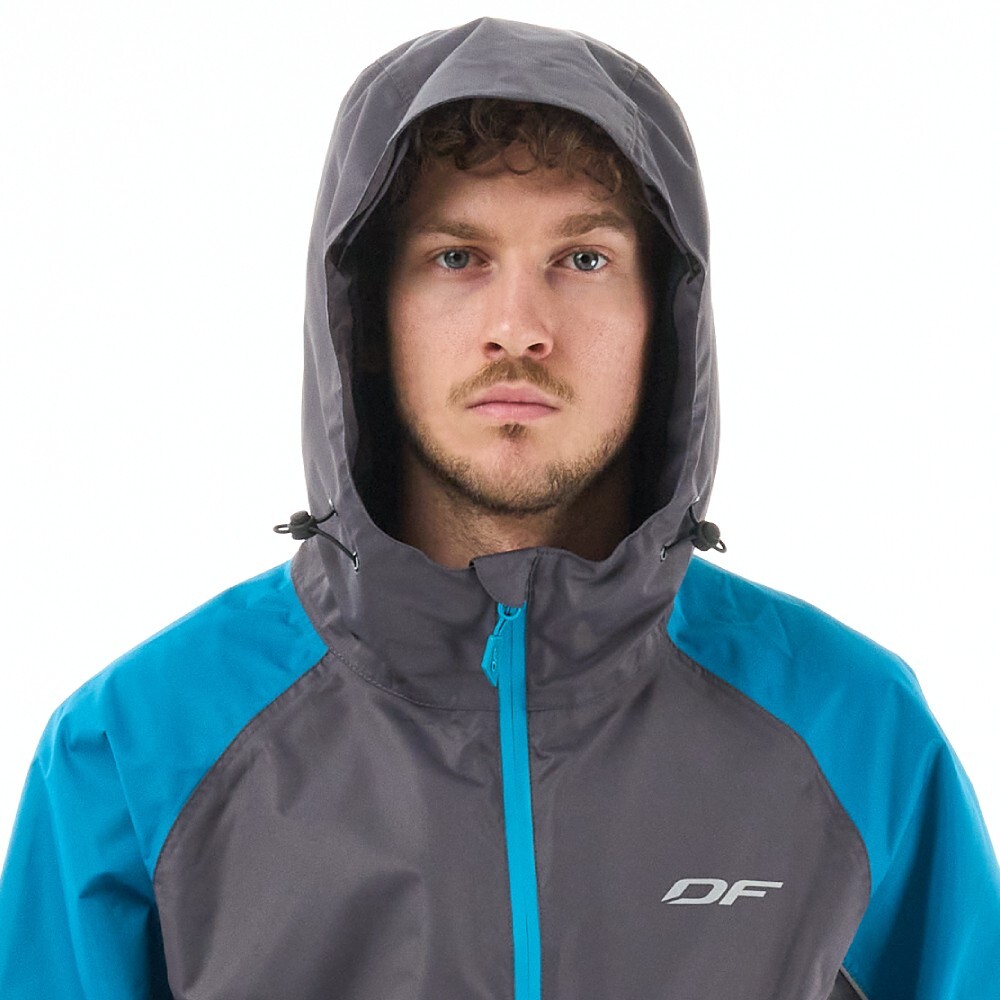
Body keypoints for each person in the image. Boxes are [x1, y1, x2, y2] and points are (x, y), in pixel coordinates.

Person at [0, 16, 997, 1000]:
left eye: (584, 258)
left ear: (665, 317)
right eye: (457, 257)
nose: (517, 328)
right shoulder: (137, 748)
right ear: (367, 315)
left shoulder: (852, 727)